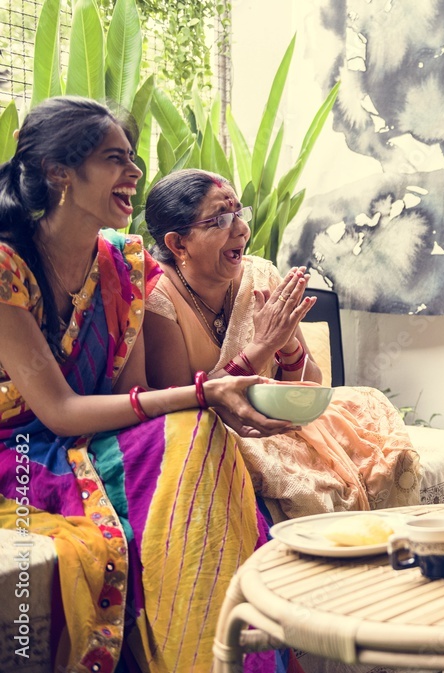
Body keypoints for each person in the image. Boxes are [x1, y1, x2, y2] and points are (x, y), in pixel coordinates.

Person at [0, 98, 292, 672]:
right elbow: (58, 412)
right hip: (26, 454)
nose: (135, 173)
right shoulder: (8, 266)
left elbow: (127, 398)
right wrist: (206, 392)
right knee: (196, 425)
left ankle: (221, 656)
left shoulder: (123, 265)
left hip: (94, 436)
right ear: (60, 172)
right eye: (115, 159)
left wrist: (213, 398)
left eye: (132, 158)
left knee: (200, 435)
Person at [143, 168, 421, 519]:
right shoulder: (157, 297)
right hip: (217, 433)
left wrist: (287, 344)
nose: (241, 229)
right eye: (220, 220)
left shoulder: (261, 276)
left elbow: (308, 383)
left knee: (371, 409)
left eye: (239, 213)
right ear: (178, 243)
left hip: (279, 422)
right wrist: (260, 347)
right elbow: (181, 409)